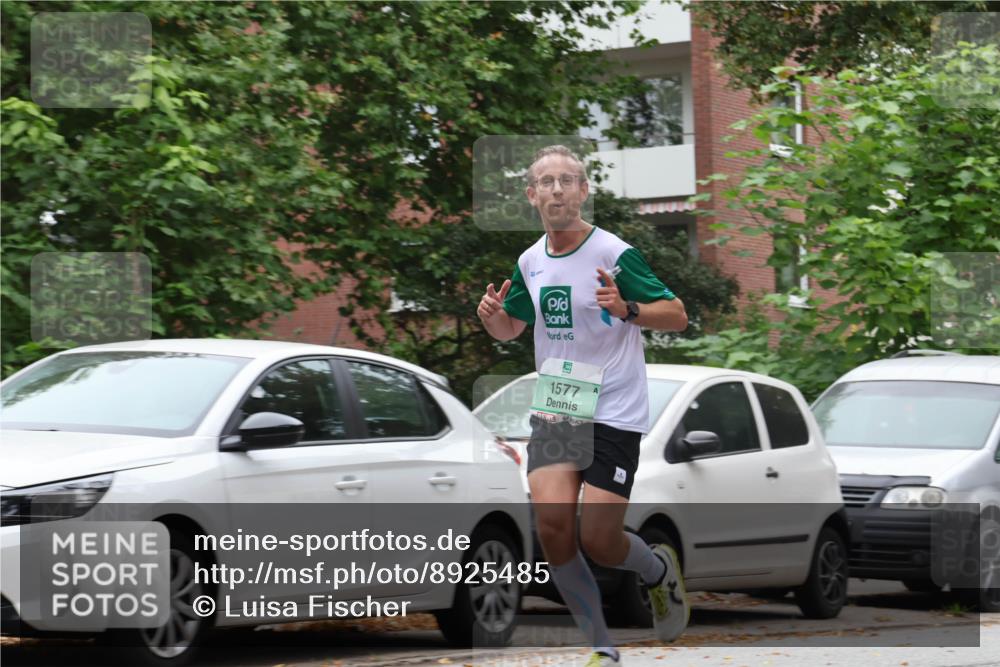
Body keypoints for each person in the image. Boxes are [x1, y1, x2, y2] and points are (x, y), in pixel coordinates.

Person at [477, 145, 690, 667]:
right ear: (531, 195)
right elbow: (512, 328)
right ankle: (601, 645)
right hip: (560, 401)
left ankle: (657, 571)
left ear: (583, 191)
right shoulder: (530, 261)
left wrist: (629, 308)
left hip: (614, 407)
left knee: (599, 539)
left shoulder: (613, 253)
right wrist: (493, 318)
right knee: (552, 528)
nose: (557, 190)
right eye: (546, 182)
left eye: (567, 181)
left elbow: (677, 314)